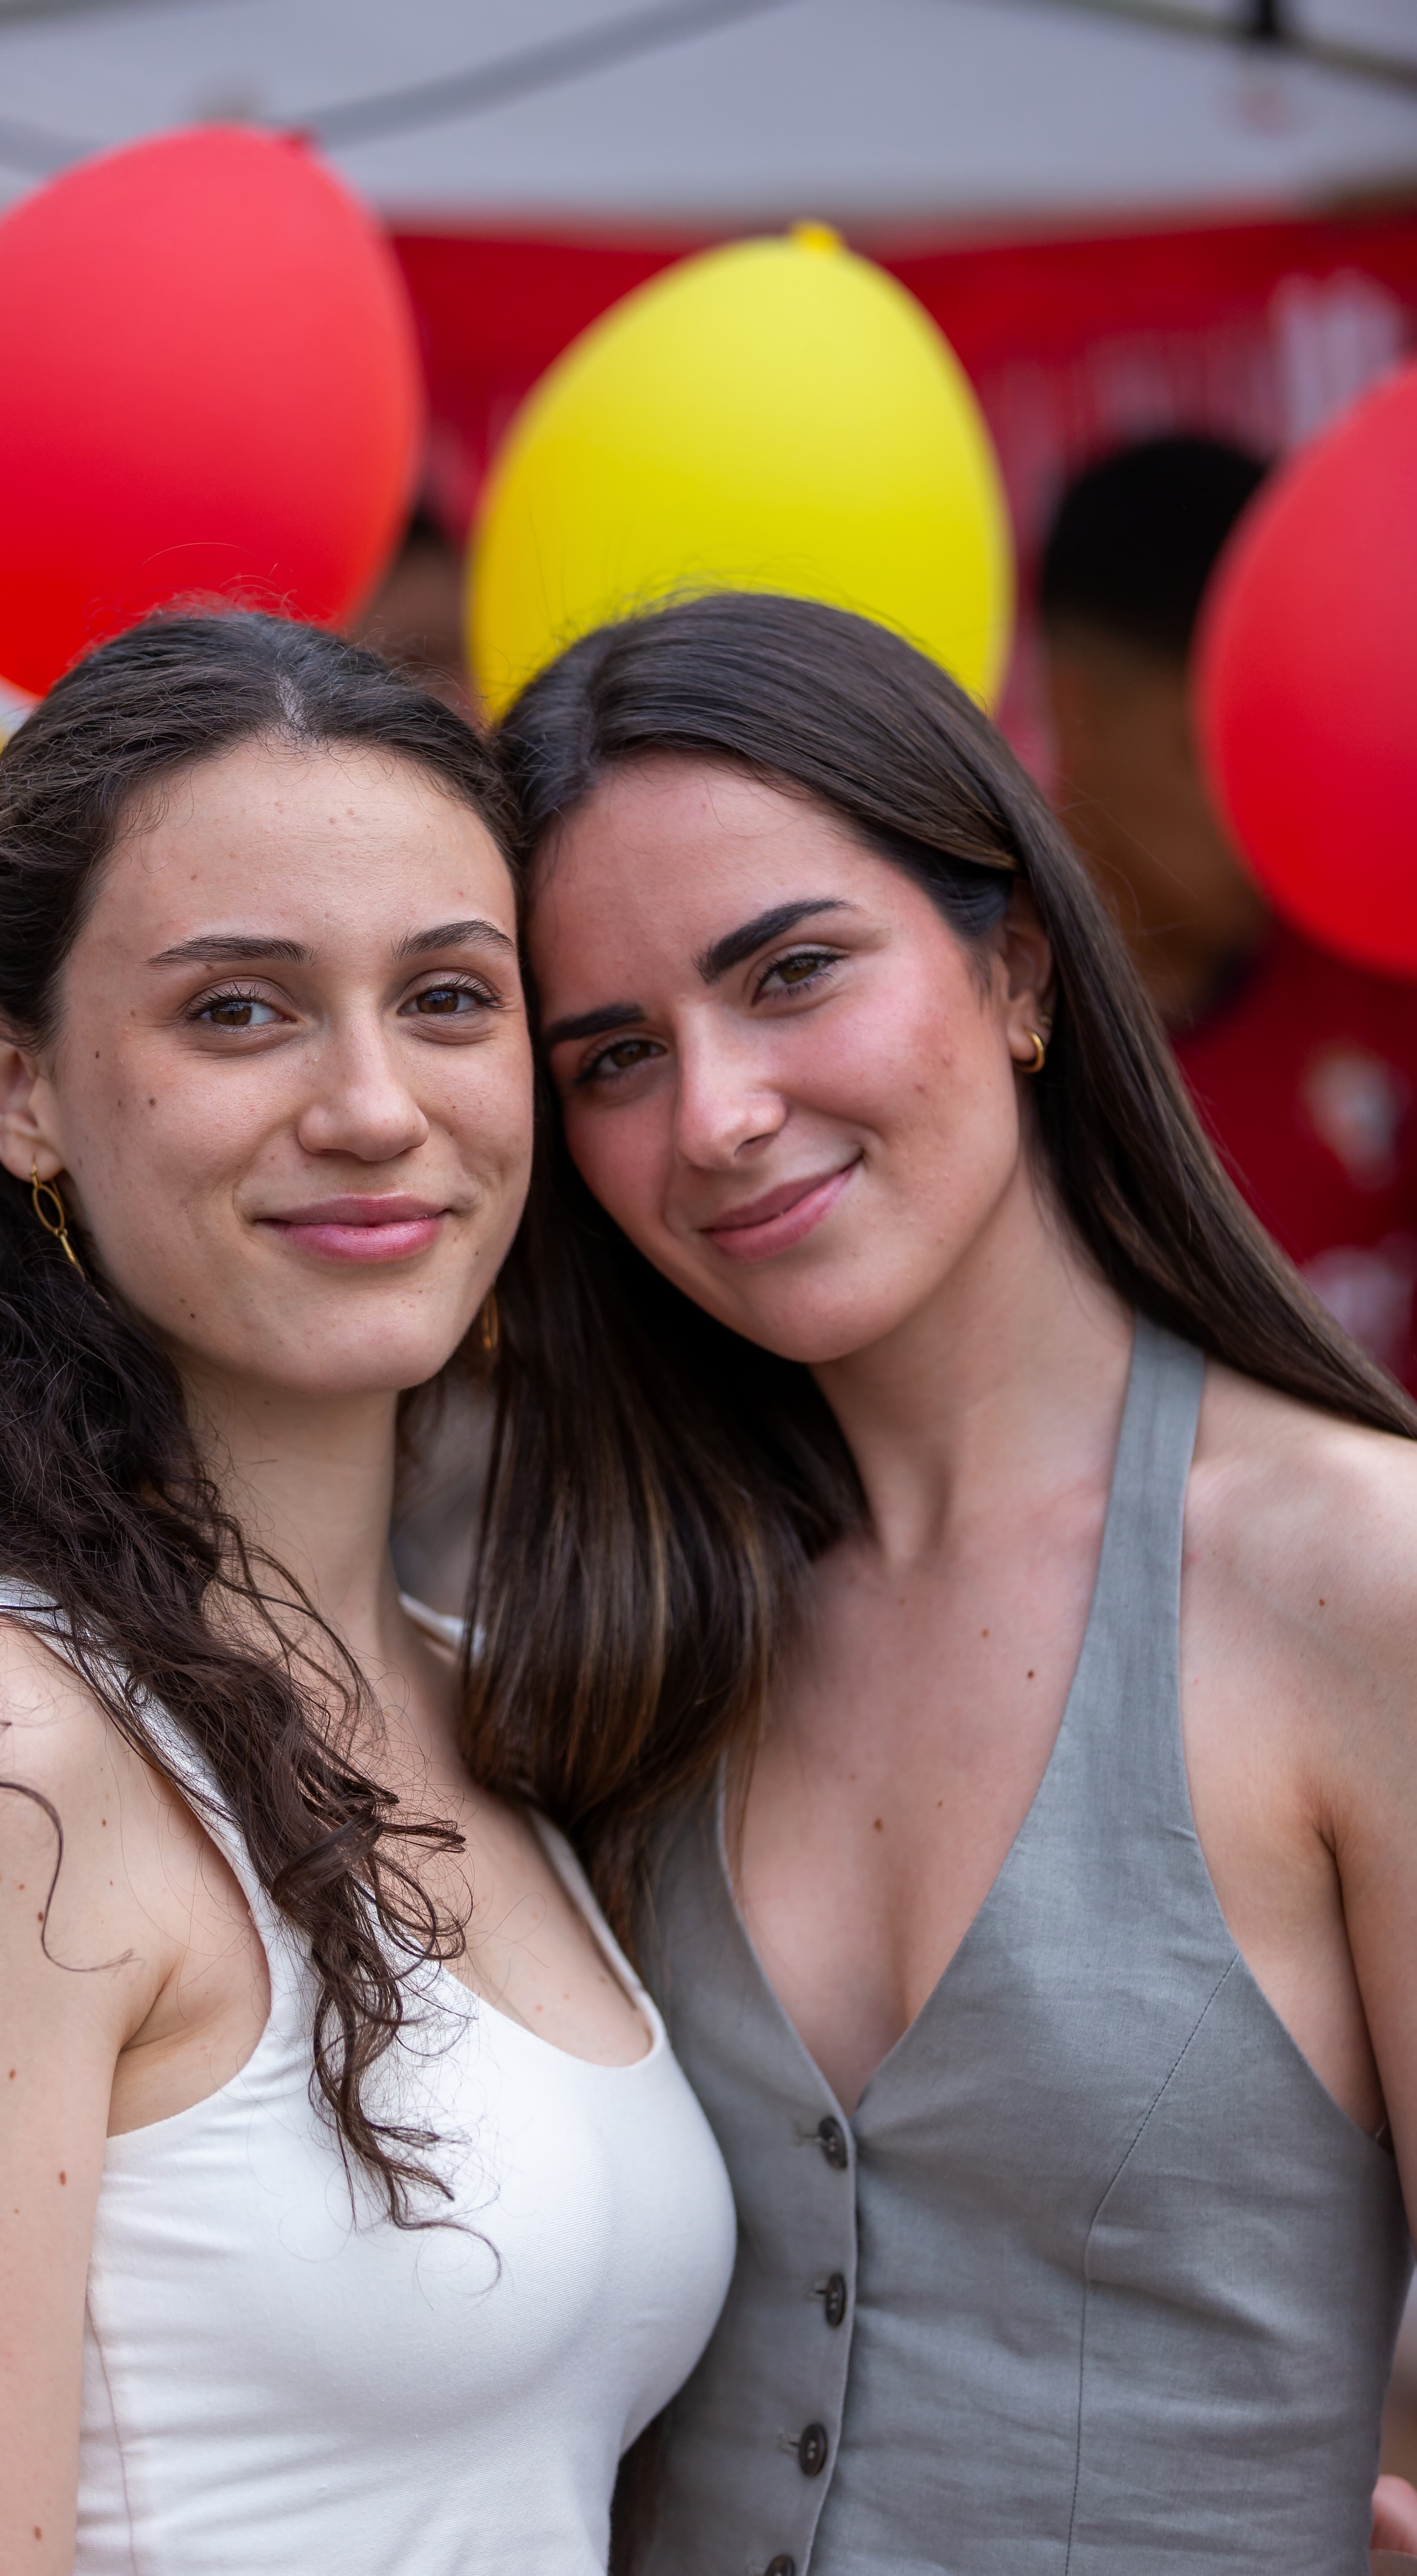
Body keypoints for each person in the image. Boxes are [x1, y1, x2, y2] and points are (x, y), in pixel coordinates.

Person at [0, 612, 736, 2574]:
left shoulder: (479, 1692)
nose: (373, 1105)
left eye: (448, 998)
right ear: (13, 1084)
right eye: (241, 1011)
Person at [468, 592, 1417, 2575]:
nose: (719, 1114)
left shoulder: (1356, 1576)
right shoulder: (616, 1628)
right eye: (616, 1056)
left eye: (793, 973)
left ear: (1018, 967)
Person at [1040, 434, 1417, 1385]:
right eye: (1210, 743)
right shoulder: (990, 1063)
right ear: (1076, 712)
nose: (1268, 795)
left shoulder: (1378, 960)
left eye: (1288, 730)